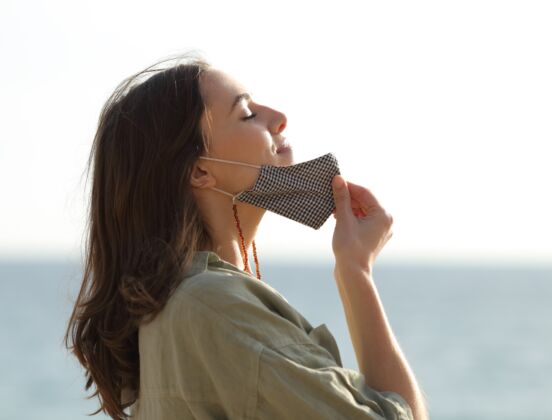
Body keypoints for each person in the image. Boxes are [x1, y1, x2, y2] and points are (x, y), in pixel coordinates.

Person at [64, 53, 429, 420]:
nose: (278, 117)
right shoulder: (215, 306)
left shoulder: (171, 305)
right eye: (247, 114)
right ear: (200, 171)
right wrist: (356, 271)